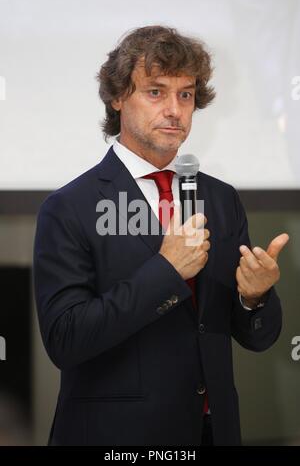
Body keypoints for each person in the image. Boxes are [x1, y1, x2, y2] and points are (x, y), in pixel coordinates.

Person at [33, 25, 289, 446]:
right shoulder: (68, 208)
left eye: (185, 95)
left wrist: (254, 297)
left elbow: (257, 338)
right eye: (156, 92)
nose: (175, 110)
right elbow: (65, 340)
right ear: (118, 98)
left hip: (213, 432)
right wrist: (166, 270)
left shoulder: (221, 200)